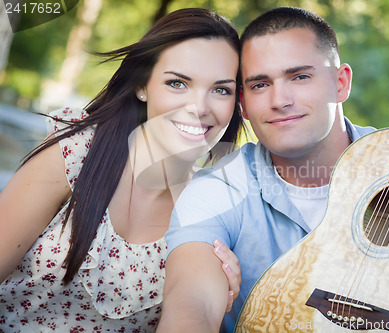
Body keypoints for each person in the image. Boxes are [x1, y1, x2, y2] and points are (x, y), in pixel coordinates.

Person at [158, 6, 389, 333]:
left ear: (341, 83)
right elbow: (191, 303)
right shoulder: (218, 189)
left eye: (300, 76)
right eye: (260, 84)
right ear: (243, 105)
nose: (280, 99)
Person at [0, 8, 244, 332]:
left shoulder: (212, 210)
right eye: (177, 83)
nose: (199, 107)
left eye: (221, 89)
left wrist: (216, 305)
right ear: (143, 86)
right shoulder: (77, 152)